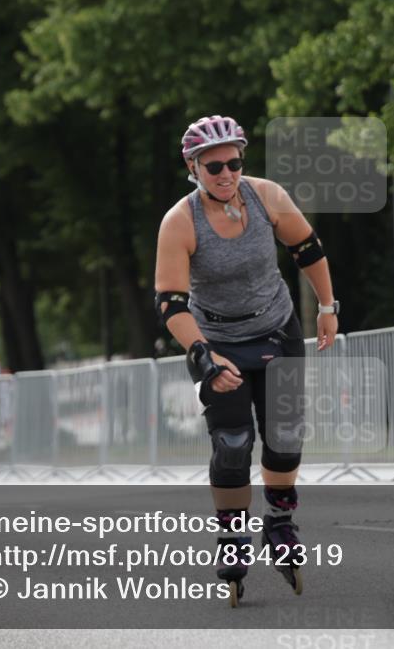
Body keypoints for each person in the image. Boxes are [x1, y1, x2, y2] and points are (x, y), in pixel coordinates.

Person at [153, 115, 339, 606]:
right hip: (218, 340)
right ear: (193, 168)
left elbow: (306, 248)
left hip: (277, 328)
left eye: (233, 163)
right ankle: (233, 532)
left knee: (286, 434)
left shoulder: (266, 196)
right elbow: (170, 302)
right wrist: (204, 355)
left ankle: (279, 521)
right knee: (232, 443)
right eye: (214, 166)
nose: (226, 174)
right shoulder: (180, 222)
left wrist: (327, 307)